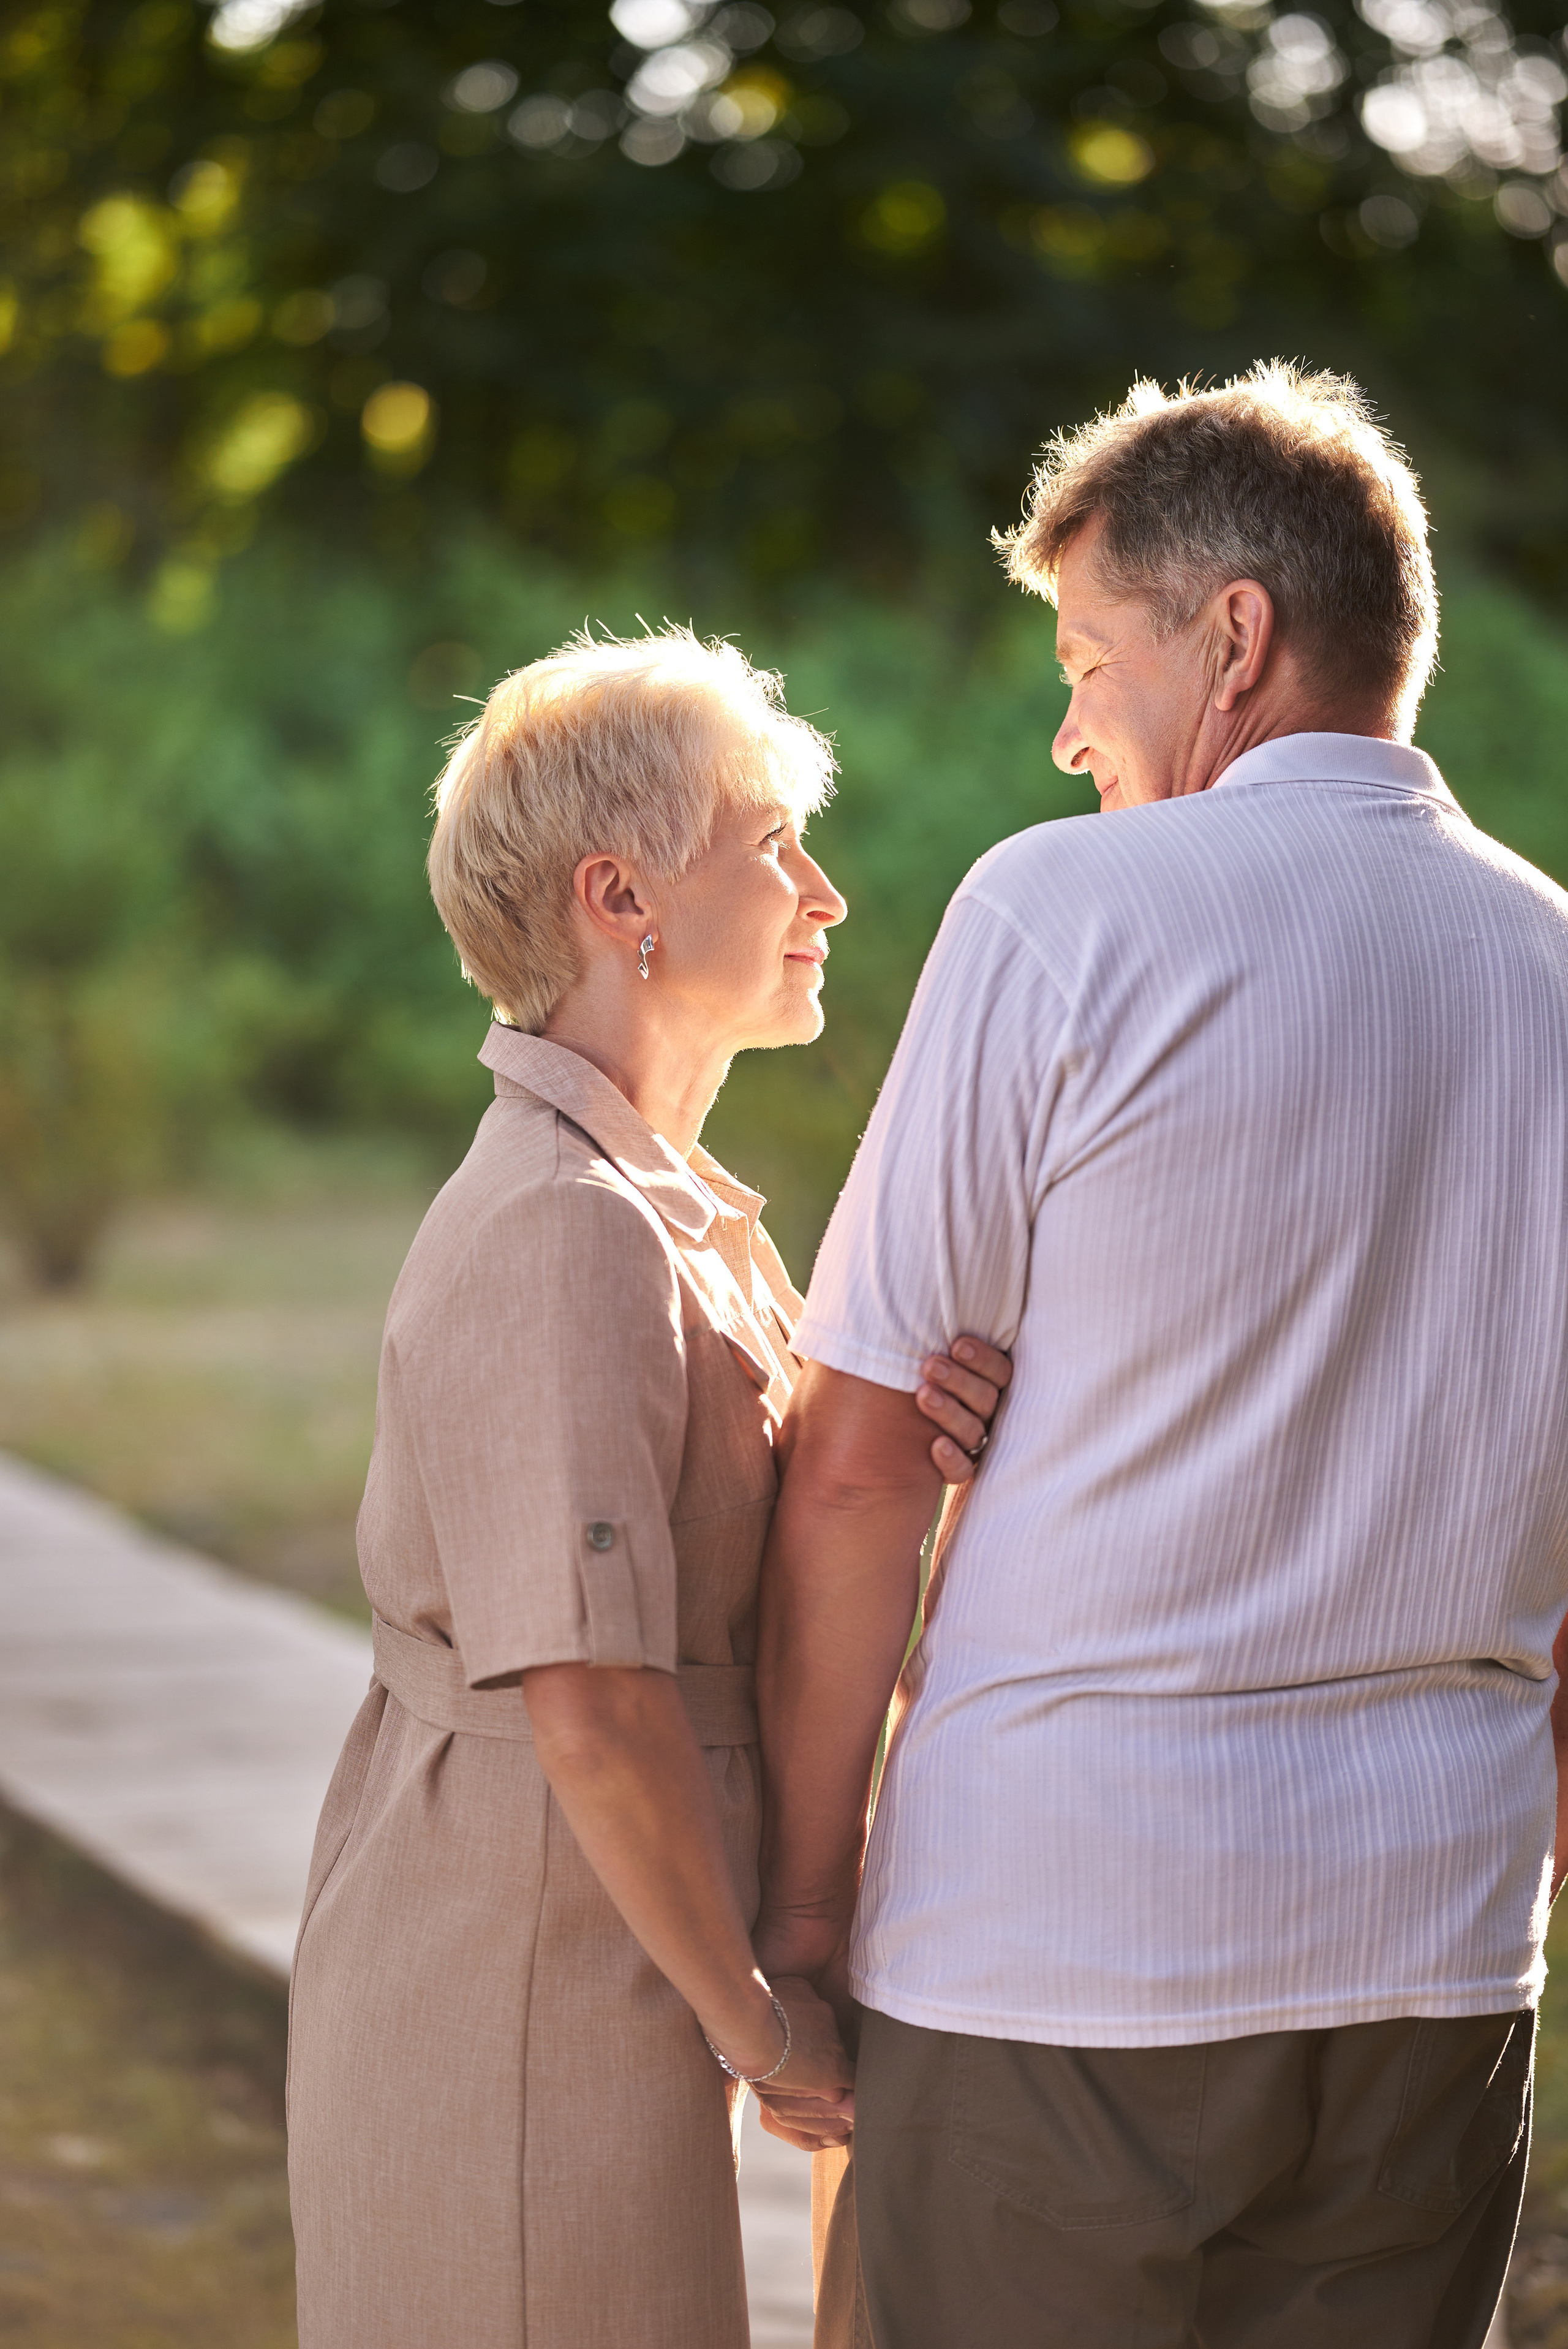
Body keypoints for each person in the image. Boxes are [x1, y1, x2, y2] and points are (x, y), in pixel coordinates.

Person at [755, 364, 1568, 2348]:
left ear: (1234, 638)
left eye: (1085, 656)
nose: (1066, 729)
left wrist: (801, 1903)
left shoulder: (1061, 914)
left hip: (1064, 1946)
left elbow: (859, 1461)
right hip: (1435, 1969)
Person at [285, 627, 1009, 2349]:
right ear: (624, 900)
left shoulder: (666, 1202)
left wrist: (929, 1428)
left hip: (600, 1947)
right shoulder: (565, 1227)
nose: (824, 893)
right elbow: (596, 1703)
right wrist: (765, 2027)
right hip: (516, 1982)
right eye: (771, 842)